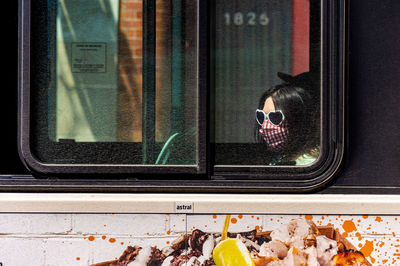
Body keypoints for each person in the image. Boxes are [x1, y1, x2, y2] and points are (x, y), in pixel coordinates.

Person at [254, 72, 320, 165]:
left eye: (276, 117)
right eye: (261, 117)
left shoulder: (310, 165)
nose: (264, 127)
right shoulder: (283, 157)